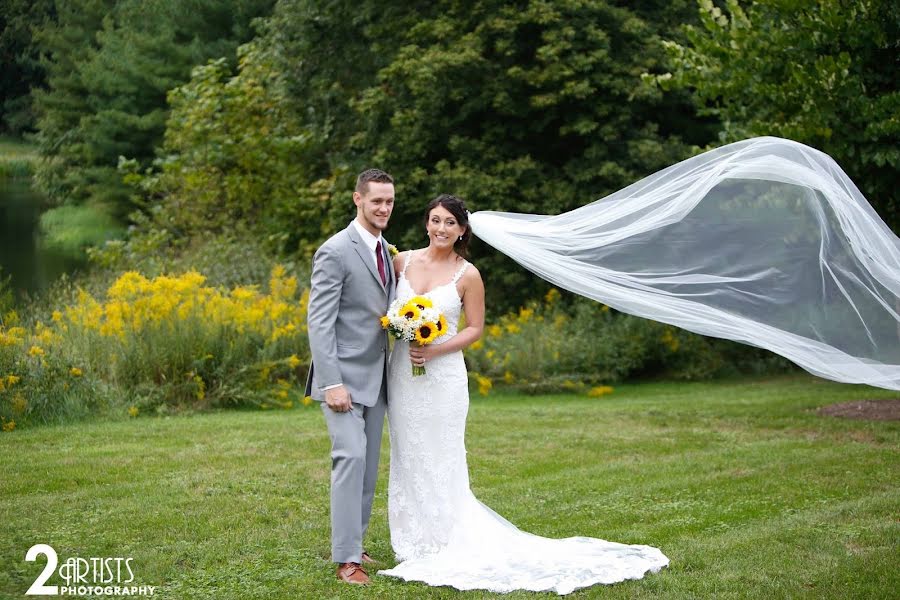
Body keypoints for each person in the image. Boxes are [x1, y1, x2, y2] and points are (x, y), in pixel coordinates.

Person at [378, 194, 669, 594]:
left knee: (442, 454)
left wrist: (435, 348)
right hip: (403, 377)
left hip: (443, 375)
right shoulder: (402, 262)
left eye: (450, 223)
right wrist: (400, 334)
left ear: (463, 230)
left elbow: (474, 328)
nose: (441, 228)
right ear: (425, 223)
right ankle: (412, 537)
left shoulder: (468, 274)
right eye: (435, 220)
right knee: (408, 451)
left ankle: (448, 536)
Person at [305, 168, 396, 585]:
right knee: (350, 459)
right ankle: (346, 560)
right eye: (376, 200)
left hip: (377, 380)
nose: (383, 208)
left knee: (368, 466)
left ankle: (356, 544)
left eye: (389, 201)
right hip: (341, 380)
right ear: (357, 199)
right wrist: (331, 383)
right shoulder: (335, 250)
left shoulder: (385, 251)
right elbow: (319, 322)